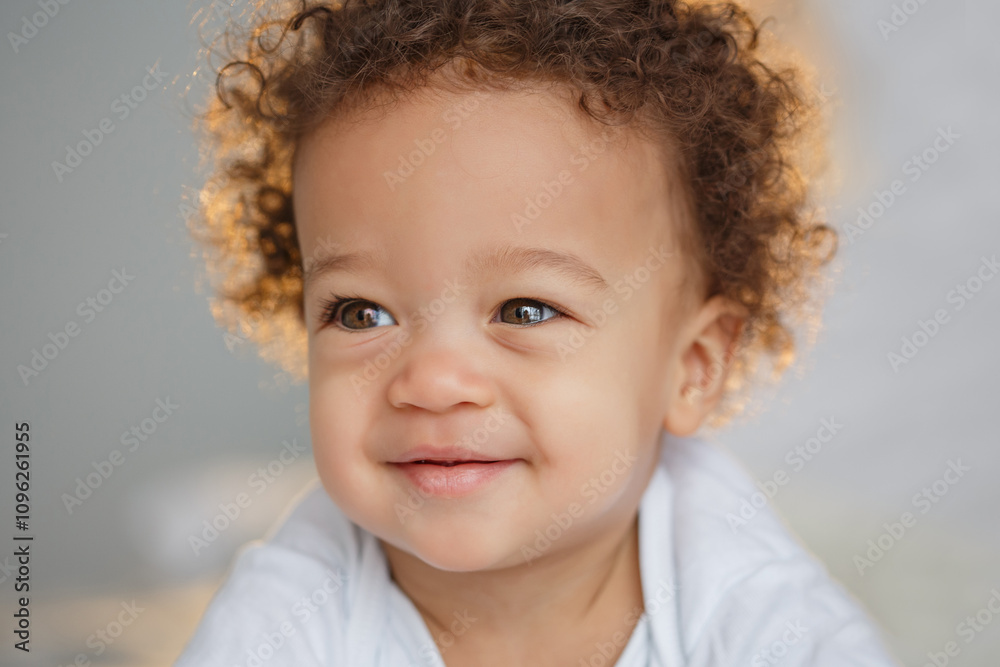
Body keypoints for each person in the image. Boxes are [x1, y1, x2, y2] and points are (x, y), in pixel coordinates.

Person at [178, 1, 900, 664]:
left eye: (524, 310)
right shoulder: (282, 619)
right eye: (361, 312)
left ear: (693, 366)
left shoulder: (764, 620)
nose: (431, 381)